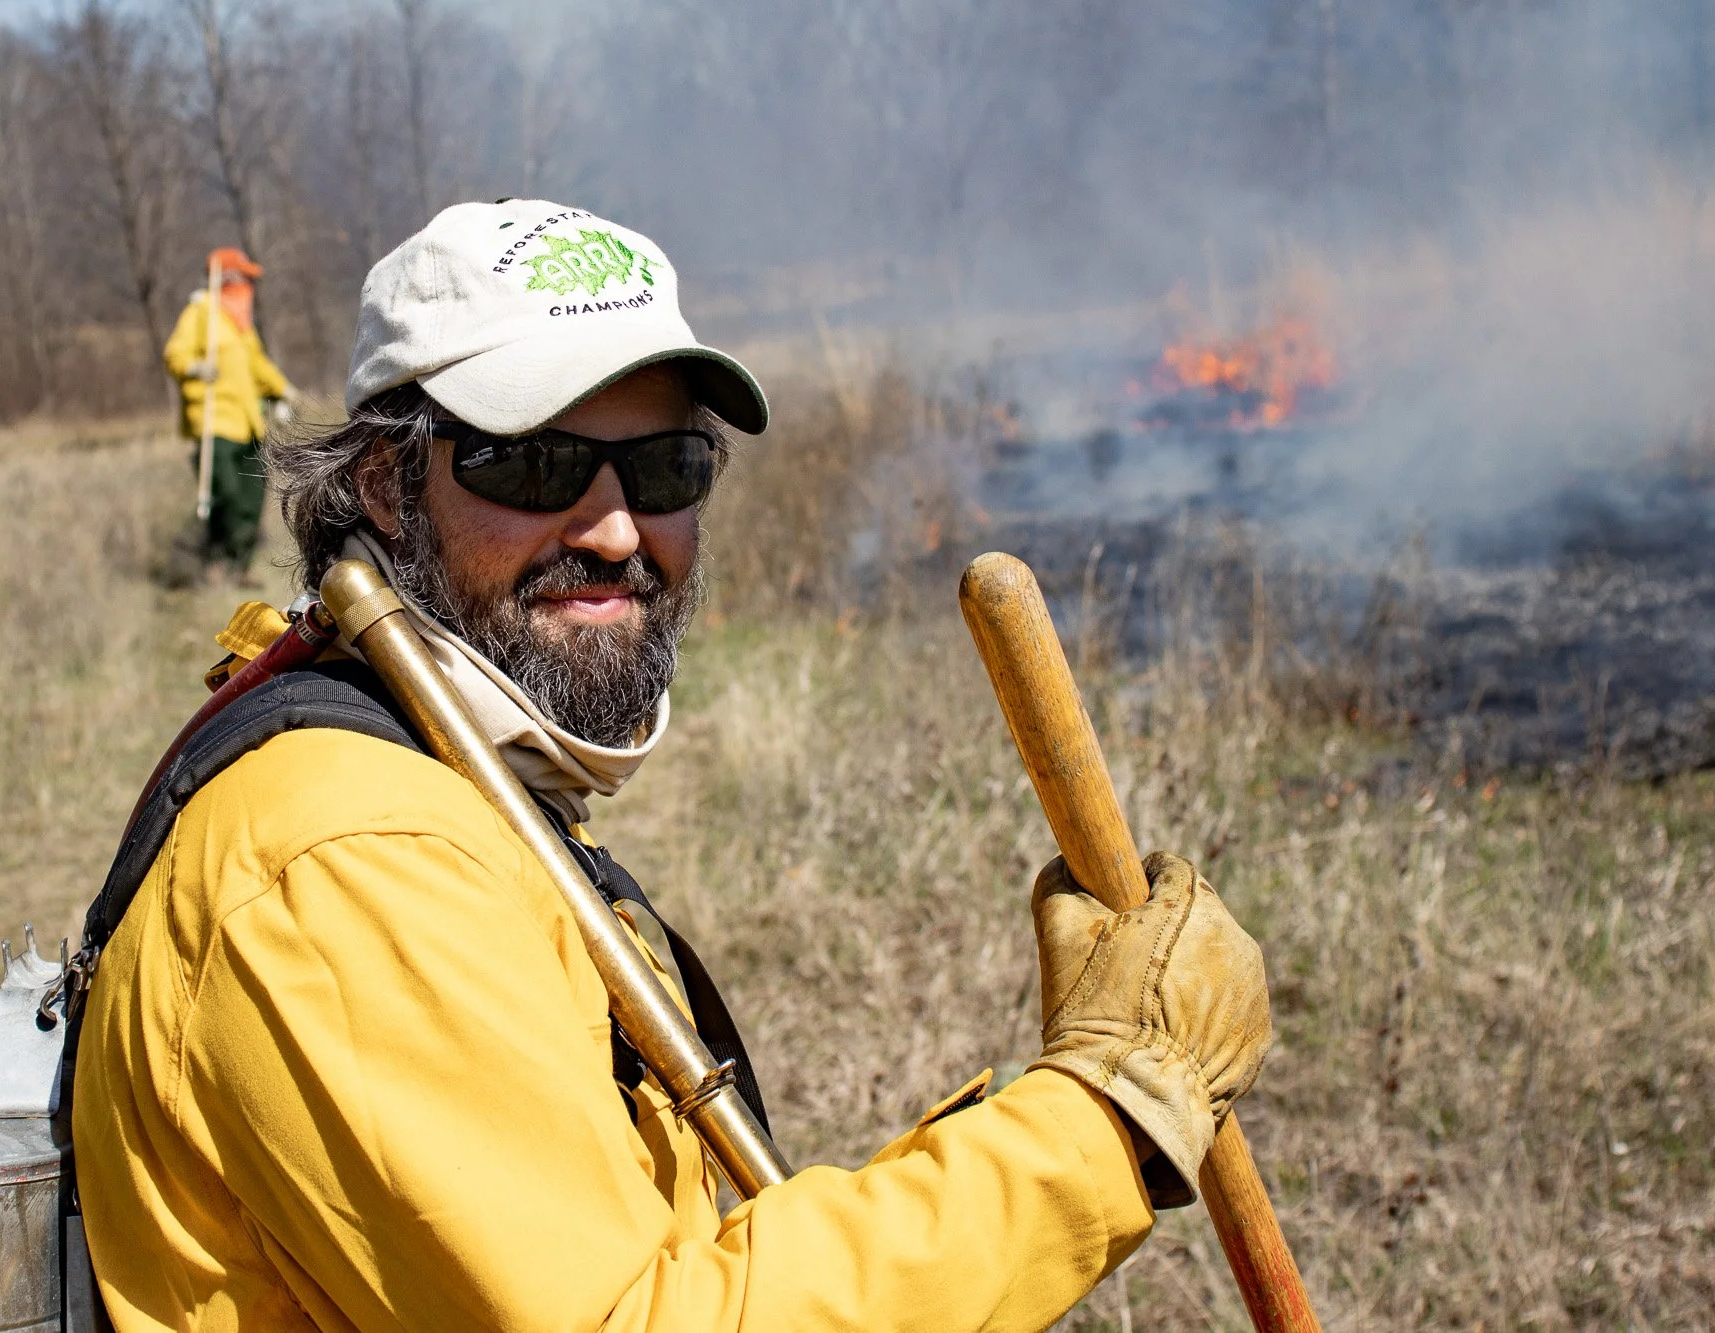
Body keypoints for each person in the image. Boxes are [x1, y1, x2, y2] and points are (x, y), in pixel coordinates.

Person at [75, 201, 1275, 1330]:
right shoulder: (343, 866)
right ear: (387, 484)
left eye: (662, 471)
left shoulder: (432, 766)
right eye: (534, 466)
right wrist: (1103, 1118)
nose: (612, 530)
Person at [164, 246, 294, 580]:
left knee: (253, 496)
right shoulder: (200, 313)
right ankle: (215, 560)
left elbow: (257, 365)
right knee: (227, 495)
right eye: (246, 279)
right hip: (215, 423)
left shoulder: (240, 325)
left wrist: (282, 389)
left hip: (249, 423)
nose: (249, 287)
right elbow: (175, 354)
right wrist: (195, 367)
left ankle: (240, 567)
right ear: (230, 279)